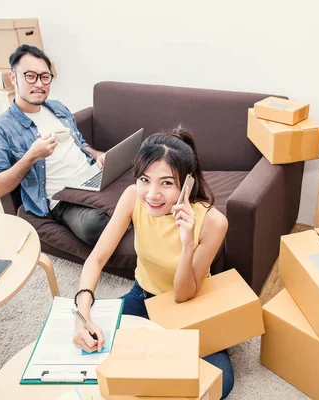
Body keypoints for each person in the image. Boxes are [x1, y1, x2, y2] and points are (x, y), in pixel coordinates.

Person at [72, 126, 234, 398]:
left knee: (217, 381)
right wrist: (82, 315)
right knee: (93, 353)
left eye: (167, 183)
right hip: (143, 295)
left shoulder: (213, 222)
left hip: (190, 305)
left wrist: (187, 243)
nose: (152, 194)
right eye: (145, 180)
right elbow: (96, 259)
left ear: (187, 184)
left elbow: (184, 294)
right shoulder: (132, 197)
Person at [0, 45, 110, 246]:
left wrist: (98, 155)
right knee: (93, 226)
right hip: (62, 199)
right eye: (30, 76)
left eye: (45, 77)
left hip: (91, 176)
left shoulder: (57, 108)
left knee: (140, 179)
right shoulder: (1, 129)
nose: (39, 84)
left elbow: (81, 144)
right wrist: (31, 156)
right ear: (13, 77)